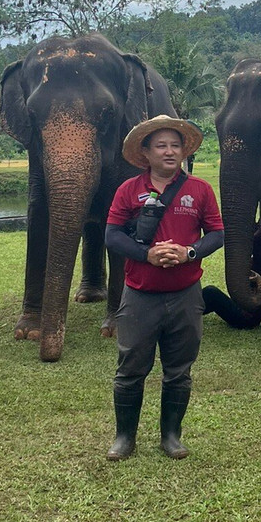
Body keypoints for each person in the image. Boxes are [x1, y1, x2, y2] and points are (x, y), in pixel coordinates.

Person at [103, 115, 224, 460]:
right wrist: (147, 254)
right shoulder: (129, 190)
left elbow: (217, 233)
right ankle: (124, 437)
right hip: (140, 294)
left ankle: (171, 436)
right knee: (130, 369)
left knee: (179, 370)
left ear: (183, 151)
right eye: (161, 146)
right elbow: (111, 235)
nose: (170, 152)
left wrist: (190, 252)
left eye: (175, 145)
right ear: (146, 152)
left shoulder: (200, 190)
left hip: (186, 294)